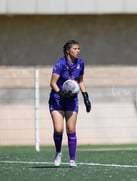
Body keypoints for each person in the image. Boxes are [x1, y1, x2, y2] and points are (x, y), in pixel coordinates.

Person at [48, 40, 91, 168]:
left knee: (71, 129)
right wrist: (61, 94)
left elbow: (81, 81)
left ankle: (72, 160)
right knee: (58, 129)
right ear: (68, 50)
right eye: (75, 49)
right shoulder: (60, 64)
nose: (78, 51)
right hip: (57, 99)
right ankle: (58, 153)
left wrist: (86, 96)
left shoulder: (80, 63)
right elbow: (53, 83)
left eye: (79, 48)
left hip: (72, 100)